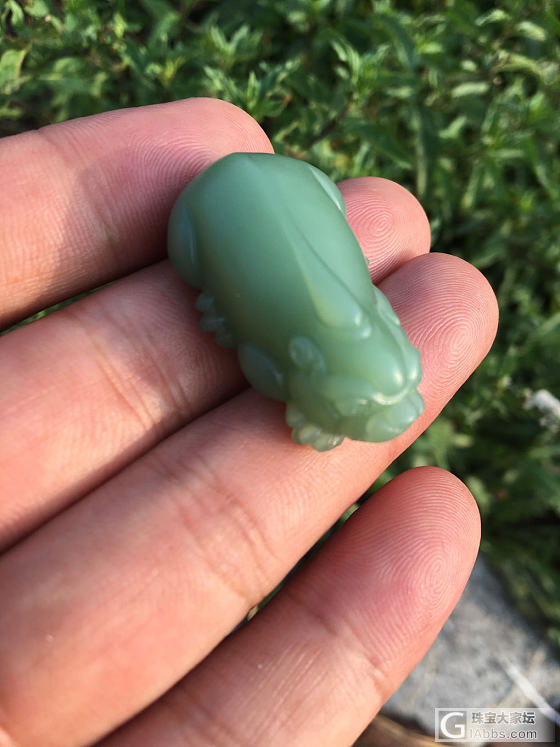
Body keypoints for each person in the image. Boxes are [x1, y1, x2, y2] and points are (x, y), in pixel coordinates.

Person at [0, 97, 498, 746]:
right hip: (227, 209)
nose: (400, 414)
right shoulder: (288, 355)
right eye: (368, 405)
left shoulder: (325, 338)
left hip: (283, 195)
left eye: (396, 389)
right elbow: (265, 363)